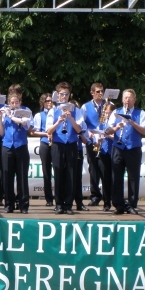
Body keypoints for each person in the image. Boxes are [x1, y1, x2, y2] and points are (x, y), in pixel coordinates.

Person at [105, 89, 145, 215]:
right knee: (116, 177)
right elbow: (107, 131)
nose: (127, 100)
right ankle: (118, 204)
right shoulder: (116, 112)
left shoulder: (141, 113)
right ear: (122, 99)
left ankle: (131, 205)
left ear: (134, 100)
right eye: (125, 98)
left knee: (133, 177)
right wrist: (116, 127)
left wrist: (132, 123)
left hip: (133, 148)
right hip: (118, 148)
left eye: (130, 98)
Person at [46, 82, 85, 215]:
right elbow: (48, 130)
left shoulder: (76, 110)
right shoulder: (53, 110)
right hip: (57, 144)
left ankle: (68, 204)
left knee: (71, 174)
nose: (64, 96)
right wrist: (58, 121)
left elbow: (79, 130)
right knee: (58, 174)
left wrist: (70, 118)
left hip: (71, 145)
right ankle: (58, 204)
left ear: (69, 95)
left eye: (66, 94)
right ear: (57, 95)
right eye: (61, 94)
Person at [0, 93, 31, 214]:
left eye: (16, 102)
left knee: (22, 177)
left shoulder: (26, 111)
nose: (14, 105)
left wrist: (10, 115)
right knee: (7, 177)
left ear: (20, 102)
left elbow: (25, 124)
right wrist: (0, 118)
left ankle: (23, 205)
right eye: (12, 103)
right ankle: (9, 204)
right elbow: (0, 133)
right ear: (9, 103)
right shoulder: (5, 112)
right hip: (7, 147)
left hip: (21, 146)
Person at [81, 83, 106, 206]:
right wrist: (88, 133)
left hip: (105, 142)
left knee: (105, 169)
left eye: (102, 91)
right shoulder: (85, 107)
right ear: (92, 93)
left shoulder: (109, 105)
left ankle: (107, 197)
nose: (100, 94)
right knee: (93, 169)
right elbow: (82, 123)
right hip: (92, 141)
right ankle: (95, 196)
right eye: (98, 92)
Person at [31, 93, 54, 207]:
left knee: (60, 171)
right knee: (46, 172)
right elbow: (33, 131)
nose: (49, 103)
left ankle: (61, 198)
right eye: (47, 101)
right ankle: (49, 199)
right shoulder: (39, 115)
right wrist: (46, 134)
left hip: (57, 144)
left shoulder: (57, 113)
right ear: (43, 103)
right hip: (45, 143)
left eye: (51, 101)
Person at [97, 103, 116, 212]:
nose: (107, 115)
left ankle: (116, 201)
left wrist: (107, 135)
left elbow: (117, 138)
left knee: (114, 179)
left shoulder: (115, 125)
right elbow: (96, 142)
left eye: (109, 113)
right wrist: (98, 141)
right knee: (105, 179)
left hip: (114, 153)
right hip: (103, 153)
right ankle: (106, 202)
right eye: (105, 113)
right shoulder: (101, 125)